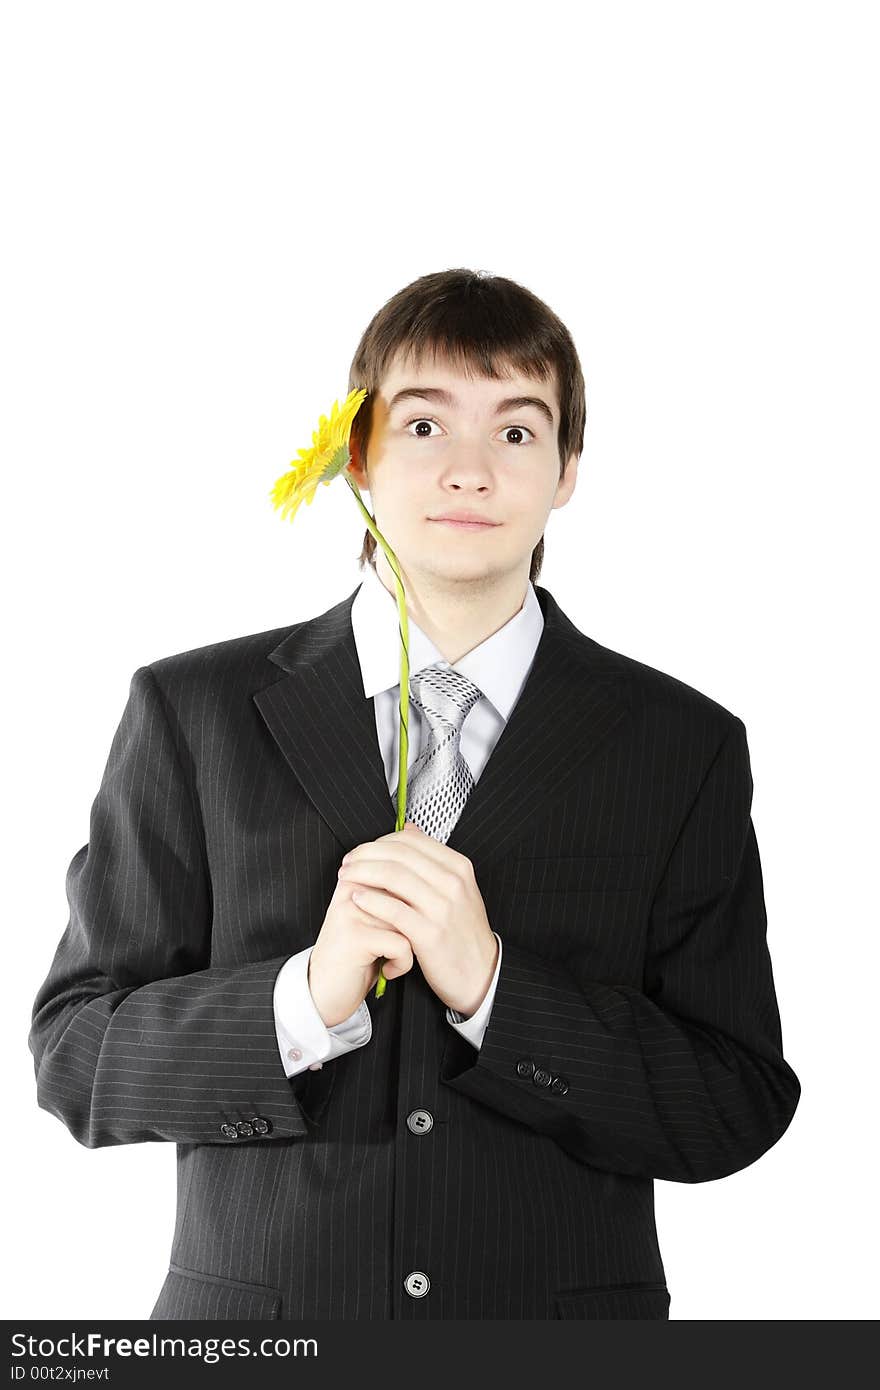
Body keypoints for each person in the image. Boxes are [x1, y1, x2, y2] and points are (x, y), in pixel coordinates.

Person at [28, 268, 800, 1321]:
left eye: (518, 433)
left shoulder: (681, 744)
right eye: (425, 425)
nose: (470, 472)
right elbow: (76, 1055)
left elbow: (733, 1102)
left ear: (569, 468)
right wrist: (301, 999)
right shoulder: (190, 711)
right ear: (357, 454)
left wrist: (495, 988)